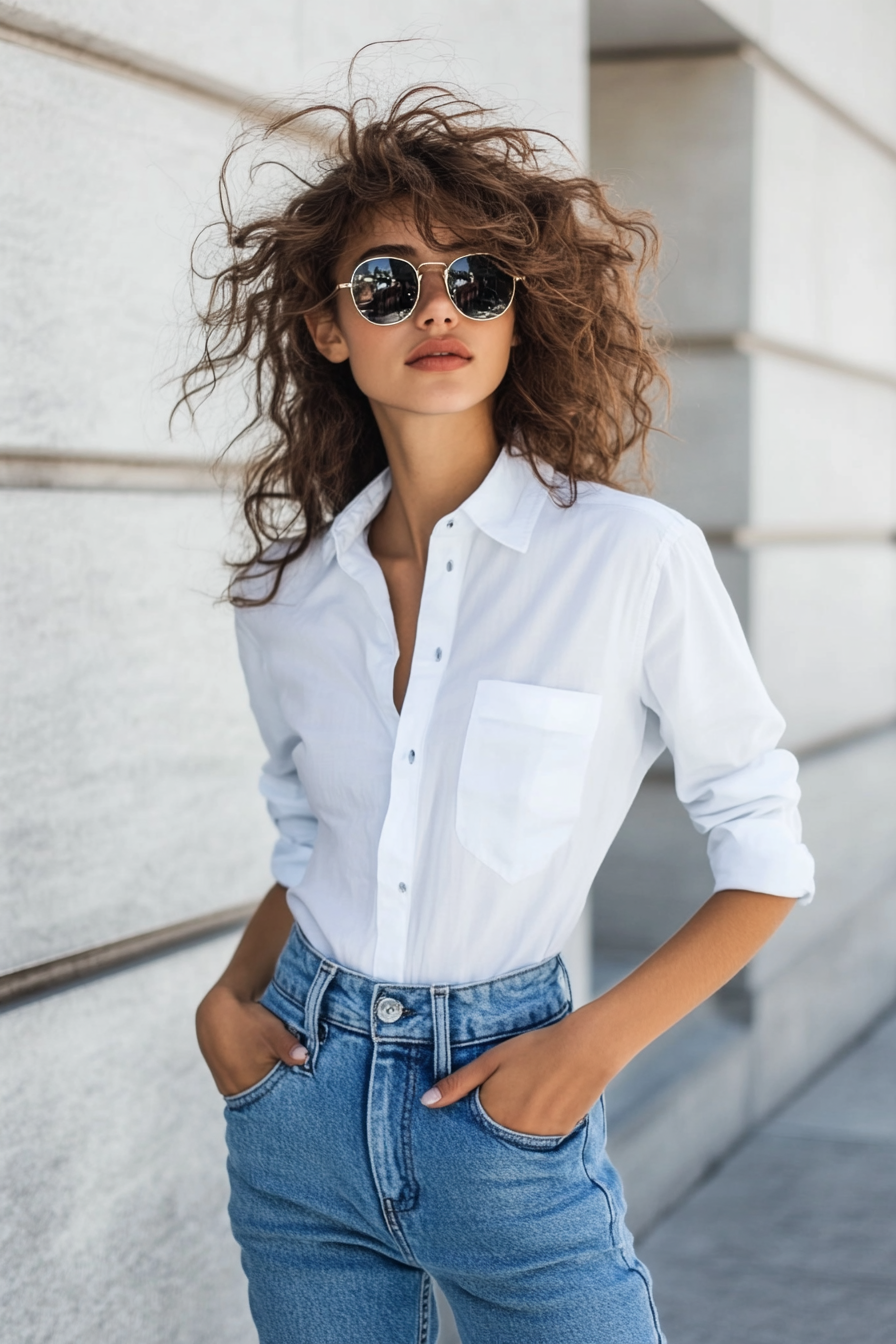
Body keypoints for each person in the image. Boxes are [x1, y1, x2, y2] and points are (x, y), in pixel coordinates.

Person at [183, 86, 814, 1344]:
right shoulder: (289, 598)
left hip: (505, 1102)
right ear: (324, 327)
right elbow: (310, 837)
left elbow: (765, 850)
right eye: (386, 284)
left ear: (519, 316)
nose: (437, 311)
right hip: (298, 1110)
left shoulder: (630, 559)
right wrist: (226, 1004)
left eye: (476, 280)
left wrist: (588, 1049)